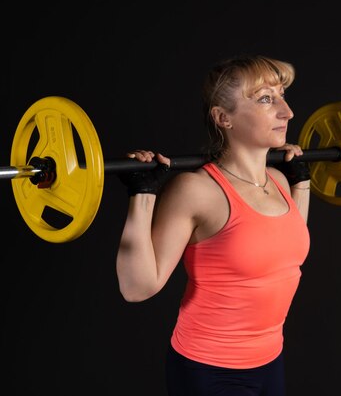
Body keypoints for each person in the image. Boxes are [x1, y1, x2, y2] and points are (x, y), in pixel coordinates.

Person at [115, 54, 311, 396]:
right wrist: (143, 194)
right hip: (210, 370)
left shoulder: (279, 180)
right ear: (223, 118)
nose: (286, 111)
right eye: (266, 99)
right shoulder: (196, 190)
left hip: (270, 362)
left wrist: (302, 182)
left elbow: (287, 254)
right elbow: (137, 288)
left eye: (282, 96)